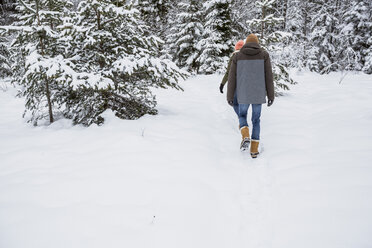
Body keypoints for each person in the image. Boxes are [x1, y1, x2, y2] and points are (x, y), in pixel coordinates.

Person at [227, 34, 274, 158]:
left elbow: (232, 78)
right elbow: (269, 76)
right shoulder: (264, 55)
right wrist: (271, 95)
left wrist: (230, 96)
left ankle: (245, 134)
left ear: (246, 43)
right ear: (257, 43)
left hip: (243, 94)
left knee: (242, 115)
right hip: (258, 94)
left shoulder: (237, 56)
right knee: (256, 120)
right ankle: (254, 150)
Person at [219, 40, 245, 116]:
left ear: (236, 48)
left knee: (234, 102)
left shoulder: (233, 57)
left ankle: (242, 119)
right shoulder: (247, 57)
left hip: (235, 83)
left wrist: (222, 84)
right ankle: (242, 119)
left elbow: (228, 72)